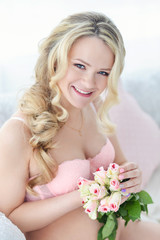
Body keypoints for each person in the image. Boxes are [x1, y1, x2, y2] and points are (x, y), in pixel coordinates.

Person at [0, 11, 159, 240]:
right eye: (80, 66)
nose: (89, 83)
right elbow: (8, 218)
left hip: (124, 230)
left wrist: (130, 177)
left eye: (102, 73)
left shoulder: (94, 105)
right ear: (56, 58)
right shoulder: (18, 133)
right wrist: (80, 195)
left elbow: (121, 163)